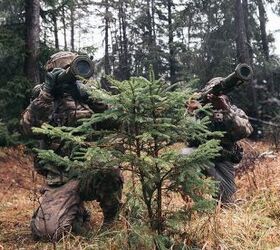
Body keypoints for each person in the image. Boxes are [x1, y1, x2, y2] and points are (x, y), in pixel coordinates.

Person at [21, 51, 123, 241]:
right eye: (64, 71)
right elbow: (27, 128)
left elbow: (116, 121)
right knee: (48, 232)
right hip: (61, 180)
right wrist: (46, 95)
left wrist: (89, 97)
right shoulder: (42, 99)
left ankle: (112, 219)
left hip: (89, 172)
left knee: (109, 168)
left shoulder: (87, 96)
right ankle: (76, 213)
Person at [185, 77, 253, 204]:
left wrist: (226, 111)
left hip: (223, 158)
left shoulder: (232, 110)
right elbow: (186, 134)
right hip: (199, 156)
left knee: (226, 202)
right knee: (184, 156)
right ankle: (192, 203)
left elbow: (245, 131)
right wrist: (190, 113)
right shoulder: (199, 110)